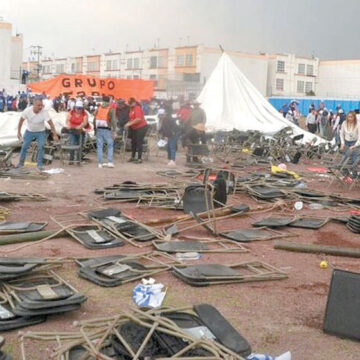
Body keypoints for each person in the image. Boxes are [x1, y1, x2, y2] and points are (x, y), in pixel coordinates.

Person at [17, 96, 59, 171]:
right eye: (38, 105)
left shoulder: (44, 112)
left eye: (41, 105)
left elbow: (51, 124)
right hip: (29, 131)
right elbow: (20, 121)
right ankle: (20, 163)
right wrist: (18, 132)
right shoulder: (27, 111)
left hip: (41, 132)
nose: (40, 107)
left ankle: (40, 165)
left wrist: (55, 134)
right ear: (34, 105)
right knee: (24, 147)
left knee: (41, 147)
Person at [94, 95, 117, 168]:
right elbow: (113, 121)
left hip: (99, 129)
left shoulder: (99, 108)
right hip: (107, 129)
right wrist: (114, 130)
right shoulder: (111, 109)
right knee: (110, 145)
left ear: (102, 100)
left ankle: (100, 163)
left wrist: (95, 129)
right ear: (109, 101)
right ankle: (109, 162)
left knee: (99, 146)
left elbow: (94, 118)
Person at [125, 97, 148, 164]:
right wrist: (128, 123)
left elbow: (138, 119)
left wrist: (129, 124)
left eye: (130, 103)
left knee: (139, 142)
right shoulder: (131, 109)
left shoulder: (137, 108)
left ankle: (139, 158)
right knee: (133, 142)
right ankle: (133, 157)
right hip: (134, 128)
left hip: (141, 127)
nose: (129, 104)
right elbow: (132, 118)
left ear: (134, 102)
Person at [339, 111, 360, 180]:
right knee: (344, 158)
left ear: (354, 117)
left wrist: (355, 145)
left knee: (354, 159)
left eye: (351, 117)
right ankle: (345, 173)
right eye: (348, 117)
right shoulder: (344, 123)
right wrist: (342, 143)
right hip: (346, 142)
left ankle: (354, 175)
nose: (350, 118)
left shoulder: (358, 124)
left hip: (355, 142)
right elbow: (341, 133)